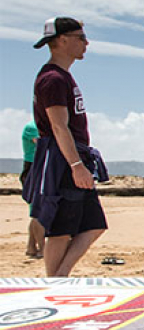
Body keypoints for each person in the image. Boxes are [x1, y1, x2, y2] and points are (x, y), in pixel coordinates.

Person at [25, 17, 107, 277]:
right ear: (62, 40)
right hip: (62, 161)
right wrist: (75, 165)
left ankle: (60, 277)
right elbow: (58, 126)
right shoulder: (52, 78)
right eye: (81, 37)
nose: (86, 43)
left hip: (73, 156)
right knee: (60, 229)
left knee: (93, 224)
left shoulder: (63, 77)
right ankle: (56, 281)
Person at [20, 119, 44, 259]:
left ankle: (31, 247)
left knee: (35, 211)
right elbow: (43, 145)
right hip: (34, 168)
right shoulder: (33, 126)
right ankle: (42, 248)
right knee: (38, 211)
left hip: (38, 167)